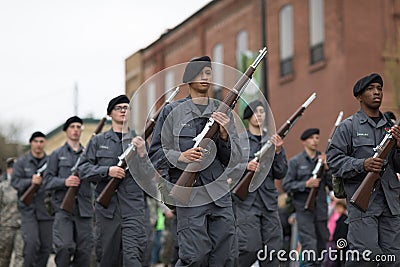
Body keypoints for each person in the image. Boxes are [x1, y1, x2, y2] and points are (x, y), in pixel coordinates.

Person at [148, 56, 242, 266]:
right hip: (190, 195)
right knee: (195, 257)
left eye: (209, 73)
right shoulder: (170, 111)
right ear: (189, 78)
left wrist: (225, 136)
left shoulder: (223, 112)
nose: (205, 77)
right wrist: (180, 156)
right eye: (200, 73)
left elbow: (234, 159)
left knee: (225, 257)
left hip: (219, 194)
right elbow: (154, 154)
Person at [326, 73, 400, 266]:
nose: (377, 92)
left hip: (391, 205)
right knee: (366, 256)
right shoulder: (347, 127)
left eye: (379, 88)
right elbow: (333, 161)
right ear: (359, 97)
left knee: (393, 260)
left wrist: (399, 147)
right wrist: (362, 164)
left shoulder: (391, 128)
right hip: (364, 206)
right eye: (370, 89)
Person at [79, 95, 154, 266]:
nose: (123, 111)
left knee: (133, 259)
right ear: (110, 113)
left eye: (126, 108)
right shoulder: (98, 141)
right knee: (107, 259)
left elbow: (149, 175)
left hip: (133, 210)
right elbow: (83, 170)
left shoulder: (139, 142)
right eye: (118, 108)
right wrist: (107, 171)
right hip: (107, 212)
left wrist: (142, 153)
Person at [232, 100, 288, 266]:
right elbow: (229, 168)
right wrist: (245, 166)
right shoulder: (240, 141)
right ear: (248, 116)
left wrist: (278, 151)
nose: (260, 115)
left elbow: (281, 172)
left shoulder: (272, 141)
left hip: (269, 202)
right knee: (250, 247)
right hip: (247, 202)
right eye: (256, 112)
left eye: (262, 112)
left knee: (273, 251)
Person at [43, 116, 93, 266]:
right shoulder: (56, 155)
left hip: (84, 210)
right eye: (72, 127)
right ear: (66, 131)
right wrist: (64, 182)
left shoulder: (89, 155)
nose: (76, 130)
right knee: (64, 247)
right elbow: (47, 181)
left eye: (79, 127)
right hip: (63, 210)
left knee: (84, 252)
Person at [282, 128, 331, 267]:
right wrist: (305, 184)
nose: (315, 141)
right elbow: (287, 185)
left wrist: (327, 168)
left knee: (322, 243)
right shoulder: (295, 162)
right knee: (310, 245)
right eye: (311, 138)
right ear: (304, 141)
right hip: (304, 210)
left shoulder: (323, 160)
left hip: (321, 210)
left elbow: (333, 186)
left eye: (317, 138)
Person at [11, 131, 53, 267]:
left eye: (41, 142)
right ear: (31, 143)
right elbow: (15, 182)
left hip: (46, 210)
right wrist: (31, 181)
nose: (39, 145)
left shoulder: (51, 162)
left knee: (46, 248)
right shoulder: (22, 162)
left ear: (45, 143)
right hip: (28, 211)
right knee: (31, 245)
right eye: (36, 141)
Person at [0, 157, 24, 267]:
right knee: (3, 257)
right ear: (9, 169)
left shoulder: (25, 185)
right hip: (6, 227)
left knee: (20, 256)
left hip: (22, 226)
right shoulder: (3, 187)